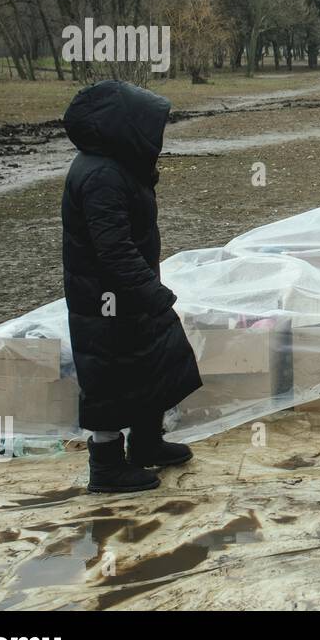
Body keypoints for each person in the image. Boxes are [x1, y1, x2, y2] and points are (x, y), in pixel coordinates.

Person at [61, 80, 202, 494]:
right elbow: (114, 250)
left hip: (128, 291)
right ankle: (105, 466)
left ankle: (146, 442)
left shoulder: (119, 164)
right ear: (125, 127)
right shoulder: (101, 174)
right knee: (107, 376)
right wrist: (153, 293)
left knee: (153, 358)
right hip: (105, 298)